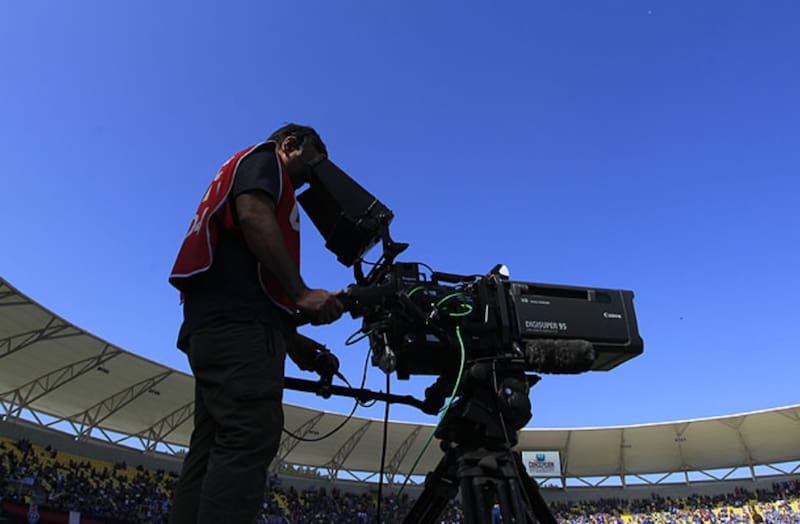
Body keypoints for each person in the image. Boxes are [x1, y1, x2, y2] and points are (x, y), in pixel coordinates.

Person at [167, 124, 344, 523]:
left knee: (211, 448)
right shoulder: (264, 160)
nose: (318, 171)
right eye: (315, 159)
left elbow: (246, 279)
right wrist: (301, 293)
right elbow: (251, 213)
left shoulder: (249, 170)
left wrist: (295, 345)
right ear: (290, 145)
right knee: (248, 436)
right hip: (237, 330)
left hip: (215, 326)